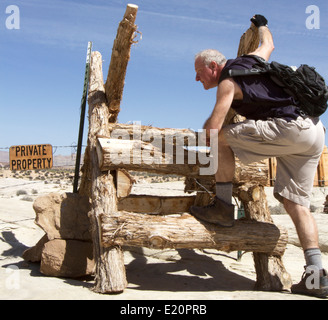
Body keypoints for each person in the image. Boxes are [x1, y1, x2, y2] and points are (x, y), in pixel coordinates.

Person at [190, 14, 328, 298]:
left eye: (198, 72)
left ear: (214, 67)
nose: (196, 78)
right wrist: (261, 24)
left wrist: (198, 137)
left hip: (289, 128)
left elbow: (213, 130)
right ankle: (317, 278)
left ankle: (223, 208)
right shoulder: (255, 59)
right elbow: (269, 44)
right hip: (315, 130)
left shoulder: (227, 82)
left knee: (220, 139)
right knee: (295, 203)